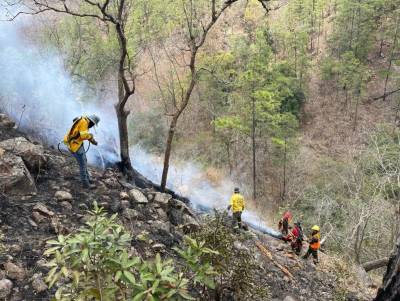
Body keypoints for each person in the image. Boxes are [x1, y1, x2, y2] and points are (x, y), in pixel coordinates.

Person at [64, 115, 100, 188]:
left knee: (84, 161)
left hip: (78, 144)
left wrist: (94, 142)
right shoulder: (84, 122)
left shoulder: (83, 121)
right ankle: (86, 184)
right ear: (92, 122)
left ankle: (88, 179)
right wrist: (90, 136)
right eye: (93, 125)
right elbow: (84, 136)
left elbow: (83, 134)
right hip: (75, 145)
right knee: (82, 165)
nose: (92, 126)